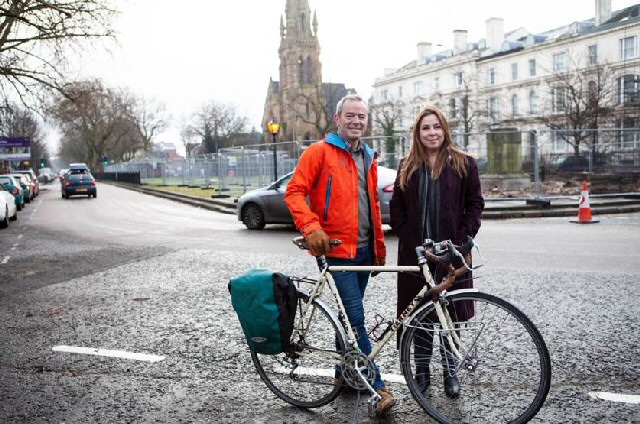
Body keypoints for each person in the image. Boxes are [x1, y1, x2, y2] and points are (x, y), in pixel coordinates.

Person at [284, 93, 395, 414]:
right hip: (336, 252)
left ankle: (343, 377)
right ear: (338, 119)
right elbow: (295, 192)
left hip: (363, 251)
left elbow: (371, 207)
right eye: (350, 115)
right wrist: (311, 227)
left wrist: (378, 248)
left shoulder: (367, 156)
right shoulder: (319, 152)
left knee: (346, 321)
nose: (356, 121)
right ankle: (379, 390)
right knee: (356, 321)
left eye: (361, 116)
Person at [389, 105, 484, 398]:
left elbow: (475, 203)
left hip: (450, 254)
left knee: (449, 314)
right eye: (425, 128)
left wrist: (462, 238)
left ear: (445, 130)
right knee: (419, 314)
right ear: (418, 133)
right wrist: (408, 236)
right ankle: (422, 371)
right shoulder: (408, 164)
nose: (432, 133)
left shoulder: (463, 163)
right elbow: (397, 208)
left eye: (436, 127)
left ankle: (450, 371)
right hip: (416, 255)